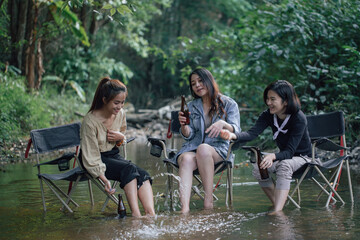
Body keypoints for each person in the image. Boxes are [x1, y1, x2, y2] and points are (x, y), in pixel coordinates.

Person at [220, 80, 312, 213]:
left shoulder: (298, 118)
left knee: (284, 165)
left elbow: (290, 152)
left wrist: (273, 156)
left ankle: (277, 212)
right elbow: (252, 134)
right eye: (267, 99)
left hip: (304, 158)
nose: (268, 103)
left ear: (285, 101)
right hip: (286, 157)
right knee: (259, 167)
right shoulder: (268, 115)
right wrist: (232, 135)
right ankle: (278, 206)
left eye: (273, 99)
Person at [79, 77, 155, 217]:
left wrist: (121, 138)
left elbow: (120, 139)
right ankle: (136, 216)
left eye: (122, 102)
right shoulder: (90, 121)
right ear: (104, 100)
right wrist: (104, 179)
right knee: (129, 169)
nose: (119, 106)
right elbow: (91, 156)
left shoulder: (120, 114)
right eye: (116, 103)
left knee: (143, 174)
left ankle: (151, 215)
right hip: (93, 160)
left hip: (112, 155)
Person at [175, 68, 241, 214]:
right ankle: (184, 209)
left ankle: (208, 201)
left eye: (200, 81)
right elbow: (189, 135)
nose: (197, 85)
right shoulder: (191, 106)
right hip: (193, 148)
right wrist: (184, 126)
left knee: (204, 148)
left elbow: (236, 131)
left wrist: (223, 124)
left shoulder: (229, 104)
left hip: (219, 150)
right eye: (193, 83)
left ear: (209, 81)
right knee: (185, 159)